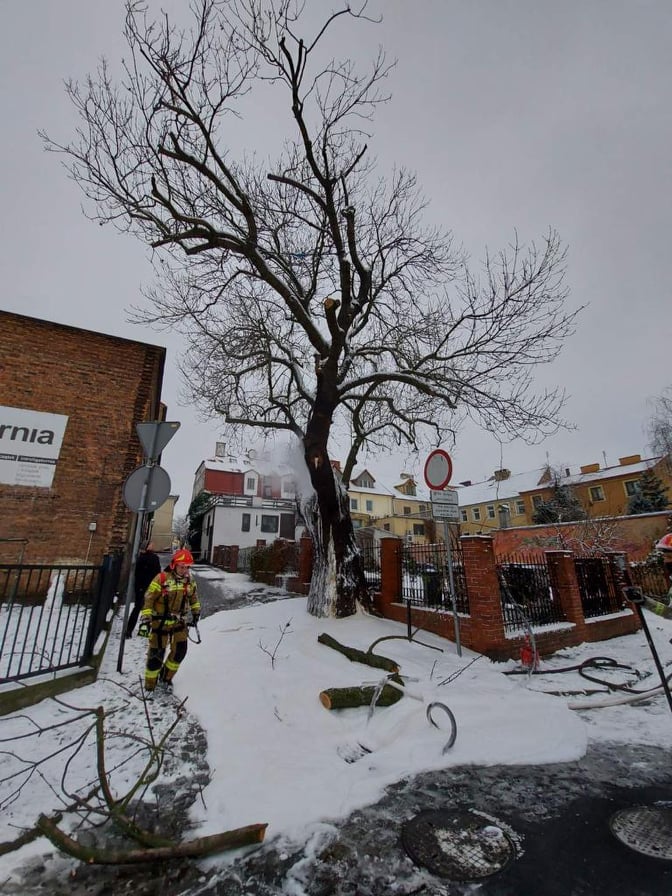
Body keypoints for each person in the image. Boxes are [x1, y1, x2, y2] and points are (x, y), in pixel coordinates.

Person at [138, 548, 201, 693]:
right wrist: (146, 618)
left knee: (180, 652)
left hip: (179, 623)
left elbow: (194, 598)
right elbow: (149, 599)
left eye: (187, 567)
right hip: (160, 624)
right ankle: (150, 685)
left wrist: (196, 612)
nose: (184, 570)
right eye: (181, 566)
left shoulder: (190, 581)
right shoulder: (161, 579)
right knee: (156, 656)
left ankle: (166, 678)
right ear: (174, 565)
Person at [126, 541, 162, 638]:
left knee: (140, 608)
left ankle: (132, 630)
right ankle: (141, 630)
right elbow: (157, 574)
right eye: (151, 544)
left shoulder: (142, 558)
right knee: (147, 609)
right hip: (148, 587)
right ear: (146, 547)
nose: (153, 545)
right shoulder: (150, 559)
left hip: (143, 587)